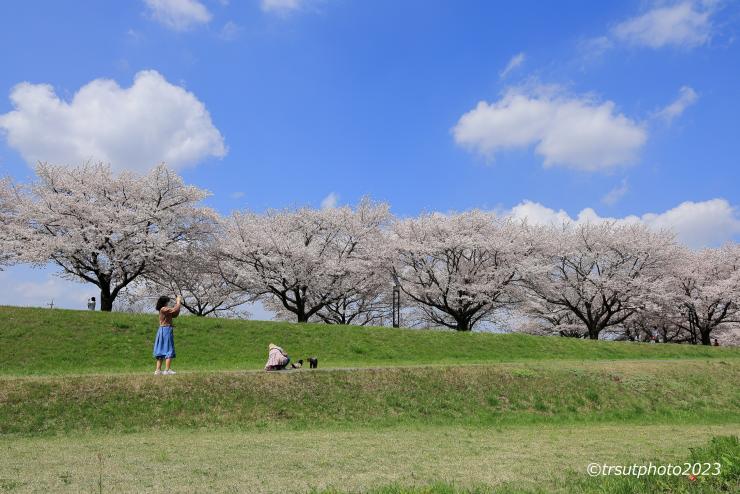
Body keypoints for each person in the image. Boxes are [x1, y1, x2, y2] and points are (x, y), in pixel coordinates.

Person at [153, 295, 181, 375]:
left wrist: (177, 305)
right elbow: (175, 310)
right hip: (166, 330)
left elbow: (175, 314)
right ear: (164, 302)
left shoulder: (163, 309)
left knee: (161, 349)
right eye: (167, 302)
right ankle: (167, 370)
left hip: (162, 330)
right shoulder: (164, 309)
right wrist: (178, 301)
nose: (168, 303)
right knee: (168, 348)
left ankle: (158, 370)